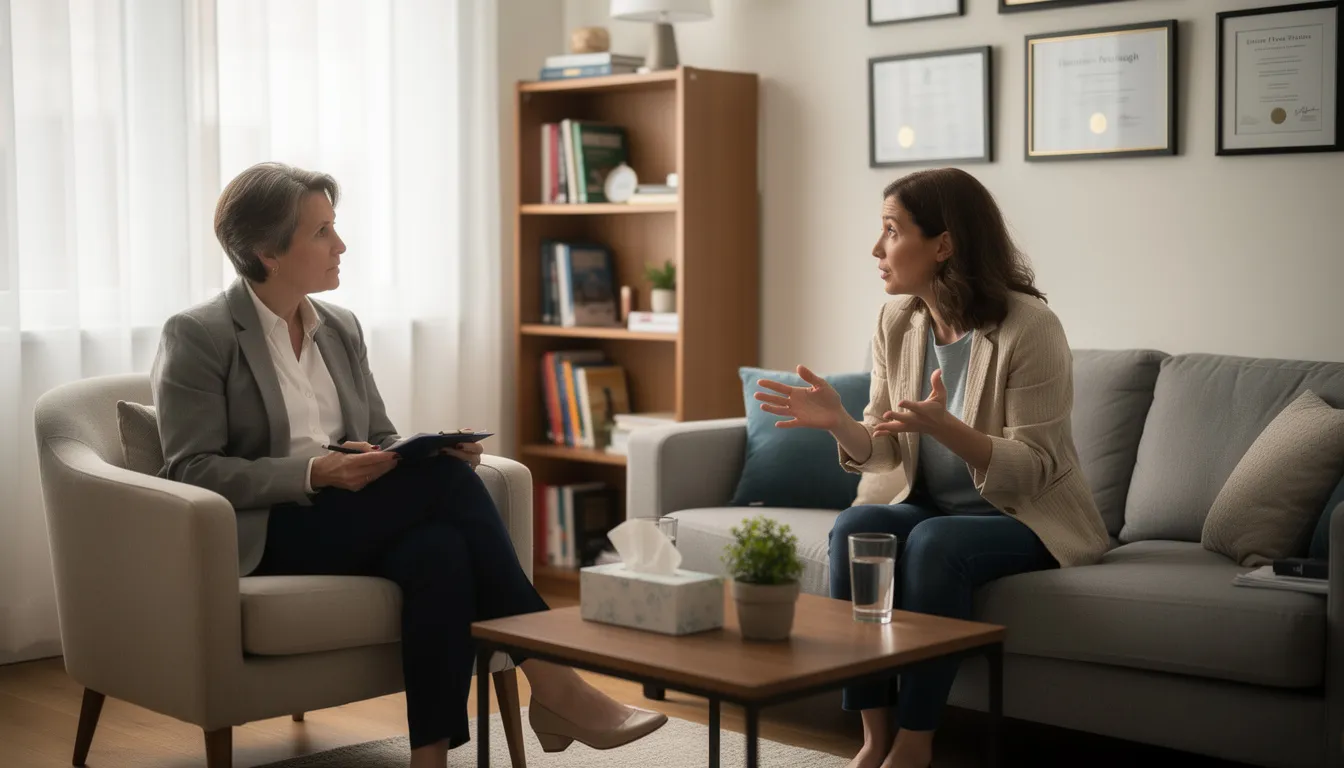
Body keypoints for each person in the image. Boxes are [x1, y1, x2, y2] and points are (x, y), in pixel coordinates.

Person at [151, 162, 666, 768]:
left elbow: (379, 436)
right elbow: (190, 470)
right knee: (445, 494)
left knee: (439, 551)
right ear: (267, 250)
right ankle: (555, 682)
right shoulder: (200, 334)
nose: (340, 245)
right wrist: (317, 473)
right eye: (321, 232)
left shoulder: (339, 327)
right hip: (270, 530)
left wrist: (415, 452)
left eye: (334, 227)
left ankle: (430, 759)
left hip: (352, 516)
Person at [753, 168, 1109, 768]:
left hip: (1025, 517)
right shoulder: (898, 322)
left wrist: (953, 432)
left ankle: (917, 742)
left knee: (934, 542)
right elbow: (885, 450)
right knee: (856, 529)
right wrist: (840, 421)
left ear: (942, 245)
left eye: (891, 231)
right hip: (933, 504)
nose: (876, 249)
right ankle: (874, 734)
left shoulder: (1031, 328)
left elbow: (1038, 469)